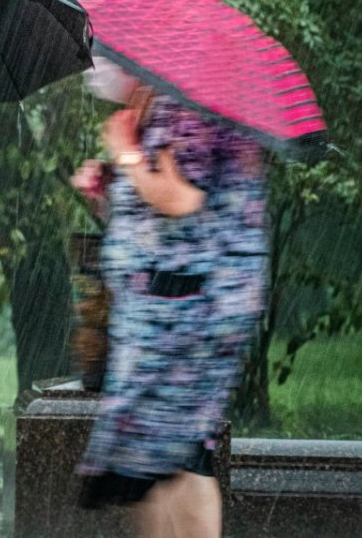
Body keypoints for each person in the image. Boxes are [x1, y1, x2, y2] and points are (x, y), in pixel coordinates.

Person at [71, 57, 269, 538]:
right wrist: (109, 187)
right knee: (150, 457)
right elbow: (159, 215)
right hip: (165, 307)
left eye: (103, 57)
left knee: (178, 453)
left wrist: (126, 155)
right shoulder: (159, 100)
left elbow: (182, 199)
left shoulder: (187, 106)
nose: (95, 68)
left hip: (192, 310)